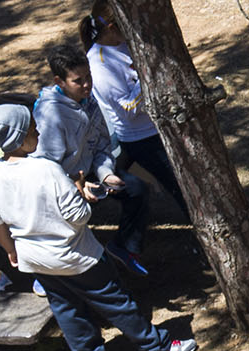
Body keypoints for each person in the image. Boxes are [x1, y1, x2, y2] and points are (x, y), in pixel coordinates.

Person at [0, 113, 196, 351]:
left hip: (33, 258)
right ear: (20, 138)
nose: (39, 134)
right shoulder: (46, 169)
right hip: (75, 255)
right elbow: (79, 216)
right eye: (33, 129)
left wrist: (11, 249)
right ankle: (157, 349)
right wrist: (79, 189)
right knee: (116, 302)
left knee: (66, 307)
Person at [32, 43, 151, 274]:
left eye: (89, 77)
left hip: (87, 174)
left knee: (137, 190)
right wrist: (76, 186)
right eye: (78, 81)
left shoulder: (89, 100)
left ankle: (124, 247)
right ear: (60, 82)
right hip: (62, 185)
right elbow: (46, 169)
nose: (87, 85)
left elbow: (101, 145)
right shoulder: (50, 115)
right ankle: (47, 273)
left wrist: (105, 173)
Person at [80, 4, 189, 217]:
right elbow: (127, 109)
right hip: (143, 138)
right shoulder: (100, 64)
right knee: (183, 188)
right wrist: (148, 75)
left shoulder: (122, 44)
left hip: (159, 126)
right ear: (111, 27)